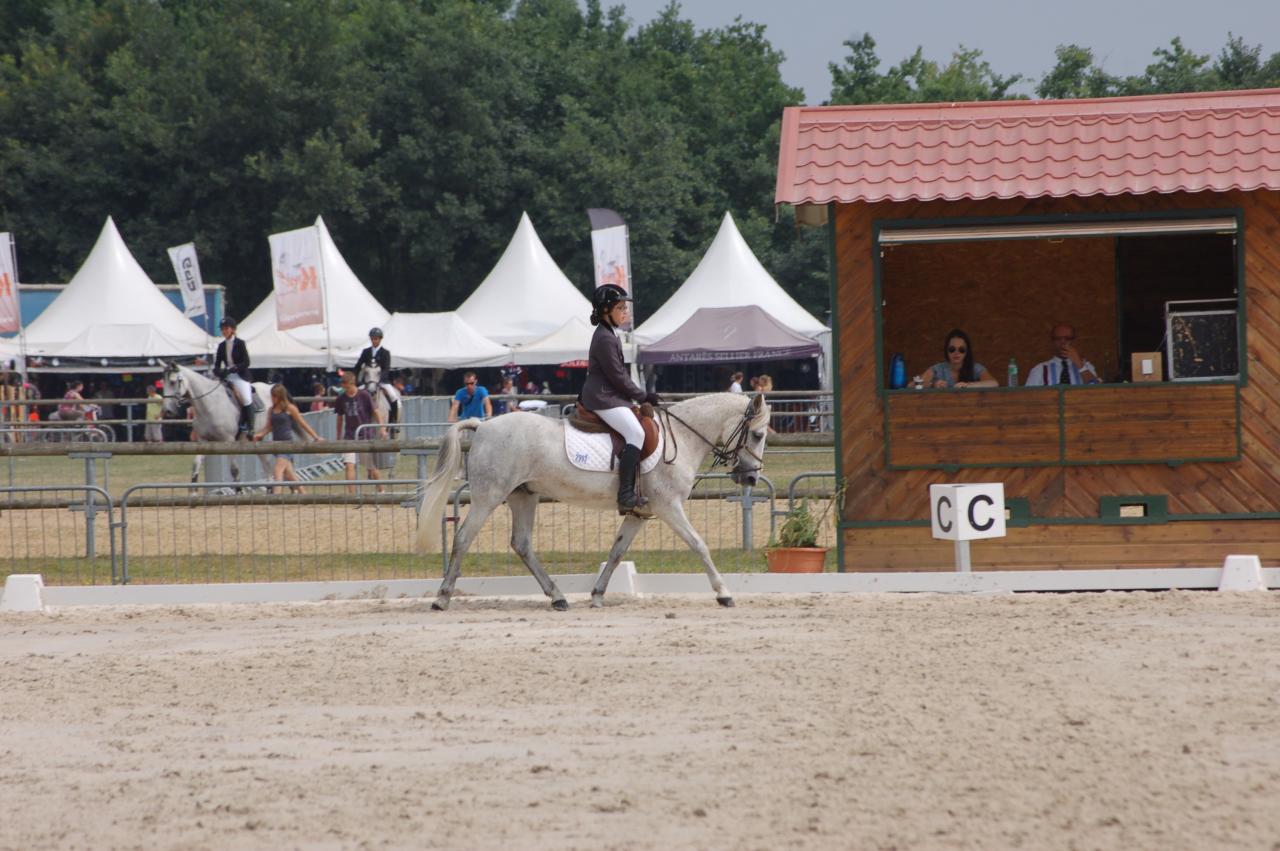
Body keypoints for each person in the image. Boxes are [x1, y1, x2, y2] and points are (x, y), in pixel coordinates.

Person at [579, 284, 660, 513]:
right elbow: (616, 375)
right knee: (636, 433)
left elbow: (620, 375)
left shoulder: (610, 334)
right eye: (621, 307)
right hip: (602, 397)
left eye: (626, 307)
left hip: (609, 395)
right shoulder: (605, 338)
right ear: (606, 310)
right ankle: (625, 494)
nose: (626, 312)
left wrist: (636, 395)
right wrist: (642, 395)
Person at [253, 384, 323, 493]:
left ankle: (276, 498)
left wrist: (315, 437)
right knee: (289, 474)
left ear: (280, 396)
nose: (272, 399)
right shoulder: (271, 410)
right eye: (272, 396)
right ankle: (304, 495)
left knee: (277, 471)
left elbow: (302, 423)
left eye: (274, 396)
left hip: (287, 444)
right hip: (276, 444)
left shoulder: (290, 408)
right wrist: (260, 434)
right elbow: (269, 427)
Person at [334, 371, 383, 493]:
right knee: (349, 465)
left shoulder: (364, 395)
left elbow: (375, 411)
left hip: (365, 435)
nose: (346, 390)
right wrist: (338, 435)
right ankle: (352, 495)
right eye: (344, 387)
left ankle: (381, 490)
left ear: (353, 383)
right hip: (350, 436)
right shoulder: (341, 398)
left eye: (347, 387)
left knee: (371, 466)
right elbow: (340, 417)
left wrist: (382, 427)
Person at [212, 316, 254, 435]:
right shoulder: (221, 346)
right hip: (227, 376)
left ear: (233, 329)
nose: (224, 331)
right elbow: (216, 365)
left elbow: (246, 362)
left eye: (226, 328)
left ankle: (250, 427)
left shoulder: (240, 343)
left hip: (240, 376)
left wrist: (233, 369)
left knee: (246, 398)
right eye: (222, 329)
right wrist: (220, 372)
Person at [1025, 323, 1102, 386]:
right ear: (1052, 342)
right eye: (1058, 339)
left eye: (1067, 338)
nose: (1063, 342)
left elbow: (1097, 391)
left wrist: (1079, 364)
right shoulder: (1040, 369)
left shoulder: (1086, 367)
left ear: (1074, 341)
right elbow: (1028, 397)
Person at [921, 329, 998, 389]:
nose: (956, 353)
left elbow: (994, 383)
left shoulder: (975, 368)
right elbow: (913, 385)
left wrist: (968, 386)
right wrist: (933, 384)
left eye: (961, 350)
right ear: (946, 350)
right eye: (952, 349)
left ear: (967, 352)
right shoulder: (937, 369)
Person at [353, 326, 399, 424]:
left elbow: (386, 368)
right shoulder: (366, 352)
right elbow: (357, 366)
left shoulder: (385, 353)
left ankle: (394, 422)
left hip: (381, 380)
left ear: (380, 339)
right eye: (372, 339)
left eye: (376, 339)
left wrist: (380, 380)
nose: (374, 341)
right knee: (356, 396)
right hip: (368, 380)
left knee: (393, 396)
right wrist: (356, 380)